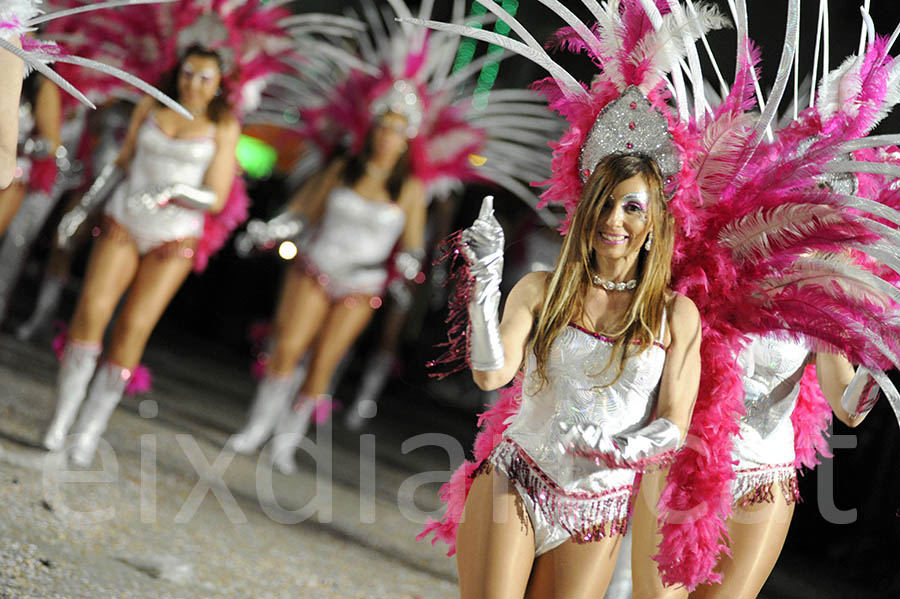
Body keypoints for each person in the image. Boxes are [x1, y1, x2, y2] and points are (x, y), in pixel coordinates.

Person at [454, 154, 701, 598]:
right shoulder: (541, 289)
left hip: (598, 509)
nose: (613, 219)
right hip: (518, 478)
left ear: (654, 223)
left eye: (632, 207)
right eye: (603, 203)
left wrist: (620, 447)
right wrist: (484, 285)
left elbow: (676, 423)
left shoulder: (675, 315)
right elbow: (491, 377)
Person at [42, 45, 240, 465]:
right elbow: (121, 164)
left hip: (174, 239)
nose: (194, 84)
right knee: (92, 309)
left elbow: (218, 198)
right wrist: (81, 208)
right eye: (188, 73)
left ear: (220, 84)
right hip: (123, 221)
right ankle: (61, 418)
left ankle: (89, 431)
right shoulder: (151, 105)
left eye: (206, 77)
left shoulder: (222, 125)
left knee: (133, 327)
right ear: (177, 72)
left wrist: (175, 193)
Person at [228, 110, 426, 475]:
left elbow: (413, 245)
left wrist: (408, 270)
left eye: (397, 131)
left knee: (324, 363)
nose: (387, 137)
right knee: (287, 347)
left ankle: (285, 444)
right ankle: (256, 428)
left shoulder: (410, 189)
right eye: (383, 127)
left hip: (363, 286)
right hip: (315, 270)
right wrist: (270, 230)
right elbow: (301, 213)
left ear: (406, 142)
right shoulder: (343, 169)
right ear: (372, 131)